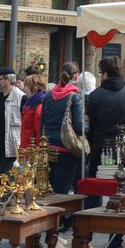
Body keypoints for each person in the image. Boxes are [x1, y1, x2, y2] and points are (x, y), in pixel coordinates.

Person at [85, 56, 125, 172]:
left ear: (105, 74)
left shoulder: (95, 95)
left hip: (101, 147)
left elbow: (90, 126)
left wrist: (92, 145)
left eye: (100, 73)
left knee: (98, 186)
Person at [40, 63, 84, 196]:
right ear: (76, 76)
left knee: (49, 190)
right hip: (66, 148)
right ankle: (63, 217)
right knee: (62, 192)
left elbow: (42, 122)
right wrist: (88, 124)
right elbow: (79, 126)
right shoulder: (75, 96)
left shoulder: (48, 96)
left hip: (48, 147)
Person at [0, 68, 23, 178]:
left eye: (0, 79)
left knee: (6, 172)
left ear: (8, 80)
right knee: (0, 173)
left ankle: (8, 195)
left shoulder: (20, 97)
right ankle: (2, 194)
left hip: (10, 143)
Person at [18, 73, 48, 150]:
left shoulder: (39, 106)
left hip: (32, 151)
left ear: (34, 88)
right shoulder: (30, 104)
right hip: (26, 148)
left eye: (26, 86)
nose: (24, 89)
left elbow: (39, 133)